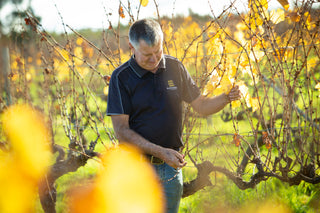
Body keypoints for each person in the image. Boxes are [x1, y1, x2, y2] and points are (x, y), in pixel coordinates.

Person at [106, 19, 241, 213]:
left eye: (158, 52)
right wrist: (161, 152)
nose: (154, 60)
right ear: (131, 47)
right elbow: (121, 131)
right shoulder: (121, 78)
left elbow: (201, 106)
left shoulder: (175, 67)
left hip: (171, 168)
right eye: (147, 55)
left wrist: (227, 97)